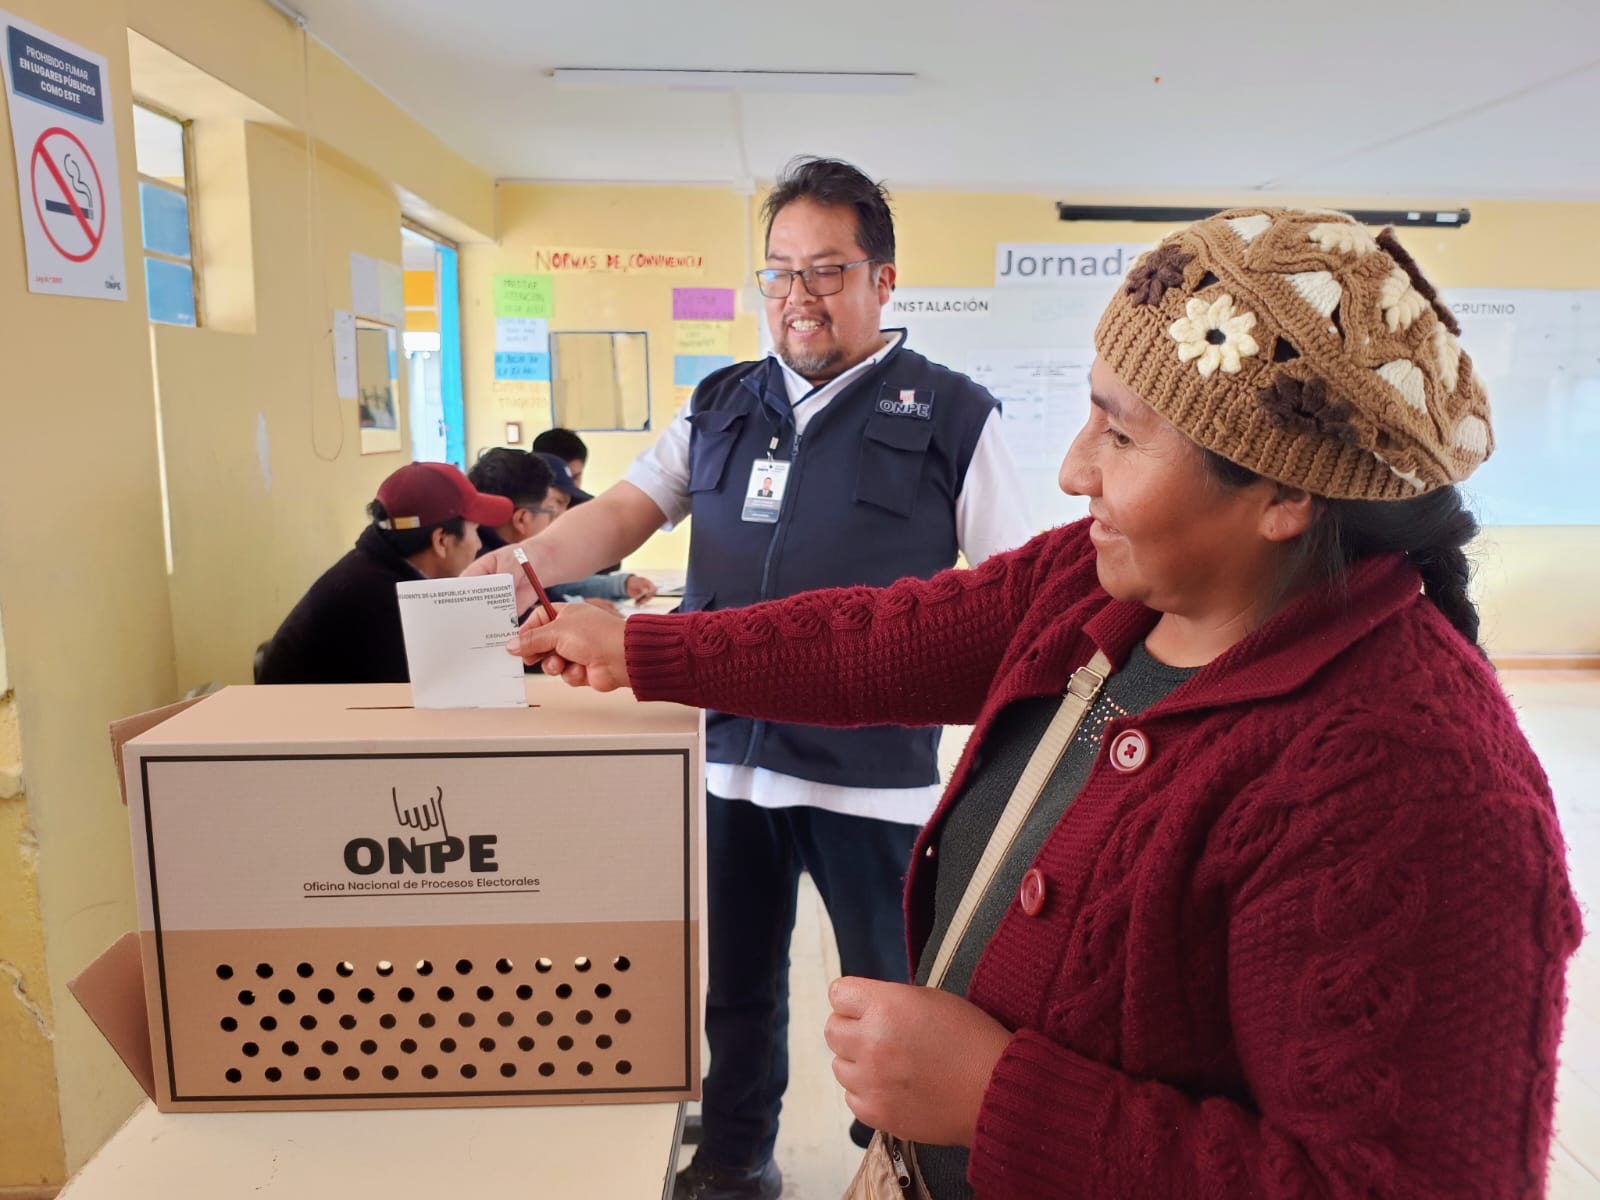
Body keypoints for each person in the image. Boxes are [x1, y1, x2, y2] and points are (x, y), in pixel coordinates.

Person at [507, 208, 1581, 1199]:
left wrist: (996, 1100)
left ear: (1284, 492)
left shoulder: (1412, 785)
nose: (1073, 470)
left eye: (1120, 435)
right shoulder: (1101, 583)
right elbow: (885, 640)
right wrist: (645, 648)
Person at [470, 156, 1033, 1200]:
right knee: (734, 990)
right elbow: (626, 511)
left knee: (892, 1002)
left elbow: (1014, 594)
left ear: (882, 280)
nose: (797, 295)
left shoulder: (954, 414)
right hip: (729, 758)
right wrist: (527, 559)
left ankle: (901, 1169)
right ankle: (734, 1161)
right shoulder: (724, 402)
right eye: (778, 271)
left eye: (826, 269)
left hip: (874, 778)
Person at [256, 462, 507, 684]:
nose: (478, 544)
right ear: (441, 541)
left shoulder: (376, 567)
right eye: (475, 530)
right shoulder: (386, 604)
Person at [467, 448, 655, 609]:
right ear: (522, 519)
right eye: (551, 511)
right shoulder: (487, 568)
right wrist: (573, 609)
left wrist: (619, 585)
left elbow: (556, 587)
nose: (560, 519)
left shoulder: (511, 556)